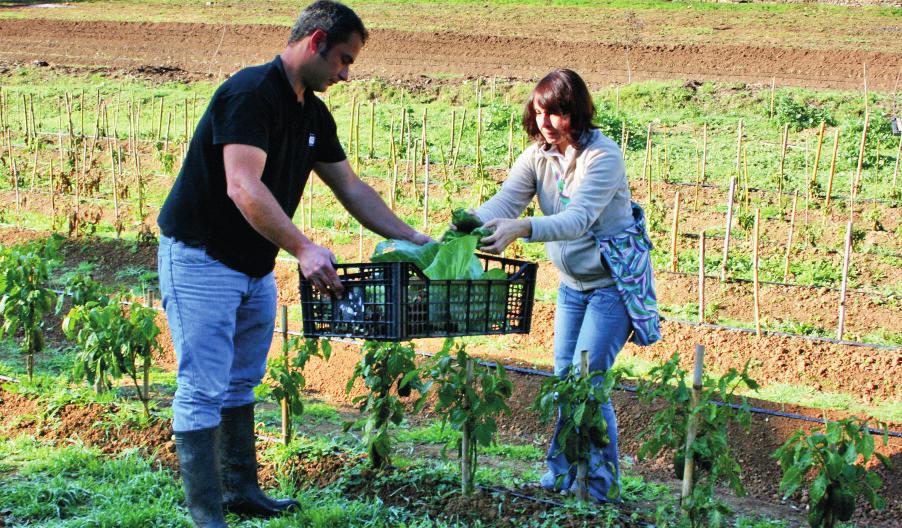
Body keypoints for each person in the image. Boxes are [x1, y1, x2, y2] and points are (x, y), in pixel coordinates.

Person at [156, 2, 430, 526]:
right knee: (203, 386)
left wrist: (414, 237)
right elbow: (243, 185)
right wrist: (304, 248)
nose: (346, 74)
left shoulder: (311, 112)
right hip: (201, 257)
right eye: (343, 60)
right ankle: (207, 515)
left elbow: (350, 187)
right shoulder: (250, 94)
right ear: (316, 41)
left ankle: (240, 492)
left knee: (241, 382)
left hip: (254, 264)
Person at [471, 69, 660, 502]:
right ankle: (561, 473)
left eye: (556, 113)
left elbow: (577, 221)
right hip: (572, 285)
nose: (546, 123)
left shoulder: (603, 156)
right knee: (564, 381)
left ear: (576, 111)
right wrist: (465, 223)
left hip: (611, 286)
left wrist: (521, 228)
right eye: (540, 113)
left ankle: (600, 486)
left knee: (587, 383)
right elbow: (505, 201)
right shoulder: (538, 155)